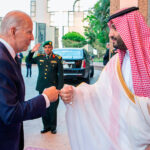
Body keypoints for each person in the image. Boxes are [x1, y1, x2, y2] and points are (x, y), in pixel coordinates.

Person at [60, 7, 150, 150]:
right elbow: (99, 92)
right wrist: (74, 93)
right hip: (120, 139)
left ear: (131, 28)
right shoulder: (115, 63)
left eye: (115, 28)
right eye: (111, 29)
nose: (111, 34)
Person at [0, 10, 59, 150]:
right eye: (29, 32)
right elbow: (10, 113)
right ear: (13, 31)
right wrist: (45, 98)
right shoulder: (2, 59)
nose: (32, 37)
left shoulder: (10, 56)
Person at [26, 41, 64, 134]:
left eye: (49, 47)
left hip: (53, 87)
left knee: (53, 108)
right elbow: (28, 61)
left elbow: (60, 74)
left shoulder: (57, 58)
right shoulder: (40, 57)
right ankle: (46, 127)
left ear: (52, 48)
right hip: (42, 87)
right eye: (46, 47)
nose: (47, 49)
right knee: (44, 107)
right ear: (44, 48)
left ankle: (53, 127)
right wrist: (32, 51)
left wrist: (59, 88)